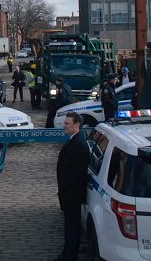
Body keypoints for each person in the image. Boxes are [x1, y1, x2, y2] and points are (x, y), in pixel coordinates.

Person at [52, 112, 89, 261]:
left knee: (72, 227)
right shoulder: (73, 140)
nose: (64, 126)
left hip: (72, 194)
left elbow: (75, 173)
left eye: (67, 123)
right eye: (64, 123)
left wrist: (66, 192)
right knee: (70, 225)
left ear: (76, 125)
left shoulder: (79, 145)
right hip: (69, 193)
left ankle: (69, 255)